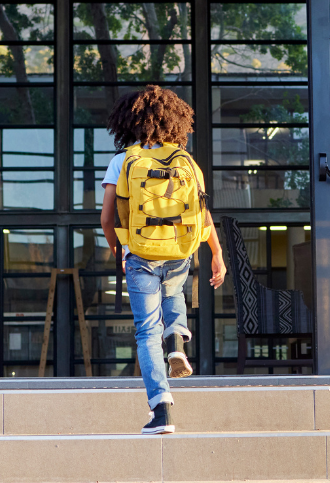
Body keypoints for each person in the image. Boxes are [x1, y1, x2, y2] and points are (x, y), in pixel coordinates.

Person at [100, 85, 226, 434]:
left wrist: (117, 248)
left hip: (139, 254)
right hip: (178, 251)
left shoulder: (123, 160)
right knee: (174, 293)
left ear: (129, 122)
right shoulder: (187, 161)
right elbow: (203, 214)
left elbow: (107, 219)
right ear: (175, 122)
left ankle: (162, 410)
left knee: (144, 333)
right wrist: (217, 253)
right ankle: (177, 340)